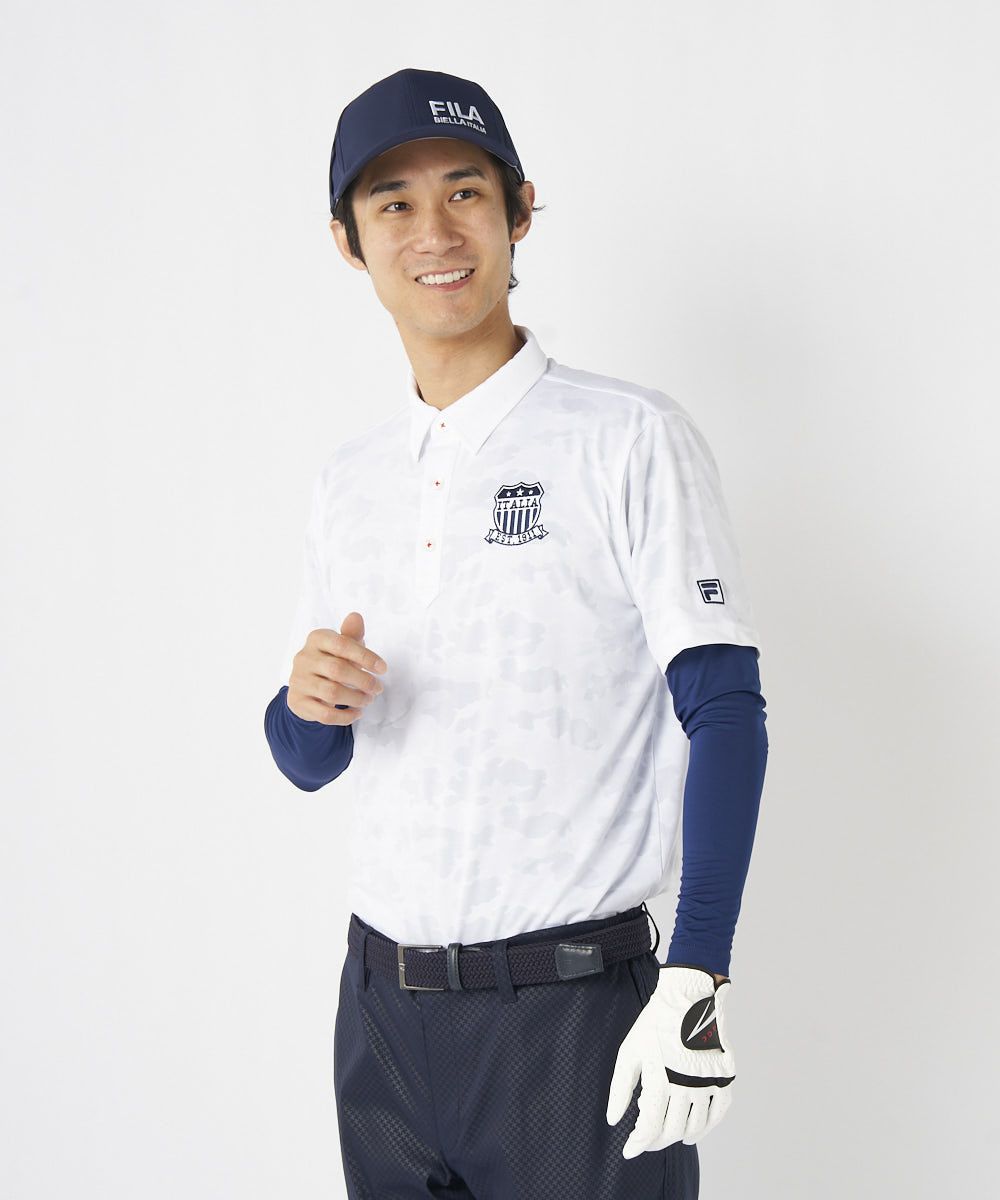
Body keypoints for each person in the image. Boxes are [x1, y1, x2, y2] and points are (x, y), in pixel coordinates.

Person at [263, 66, 769, 1200]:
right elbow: (306, 759)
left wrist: (698, 971)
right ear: (348, 241)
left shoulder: (627, 437)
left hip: (569, 1017)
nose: (434, 233)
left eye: (465, 193)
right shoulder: (350, 480)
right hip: (381, 1017)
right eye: (393, 203)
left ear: (518, 210)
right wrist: (305, 704)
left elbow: (726, 712)